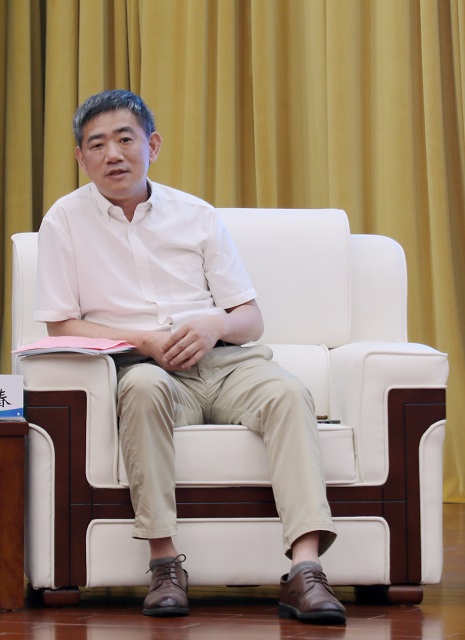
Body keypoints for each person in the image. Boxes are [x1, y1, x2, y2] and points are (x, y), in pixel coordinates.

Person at [34, 89, 346, 624]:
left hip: (225, 364)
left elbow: (250, 318)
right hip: (144, 368)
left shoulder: (196, 215)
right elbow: (61, 324)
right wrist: (143, 341)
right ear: (81, 158)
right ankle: (164, 565)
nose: (113, 154)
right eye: (97, 144)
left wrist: (214, 324)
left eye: (125, 139)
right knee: (140, 388)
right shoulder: (64, 221)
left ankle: (306, 570)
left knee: (289, 393)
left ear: (152, 145)